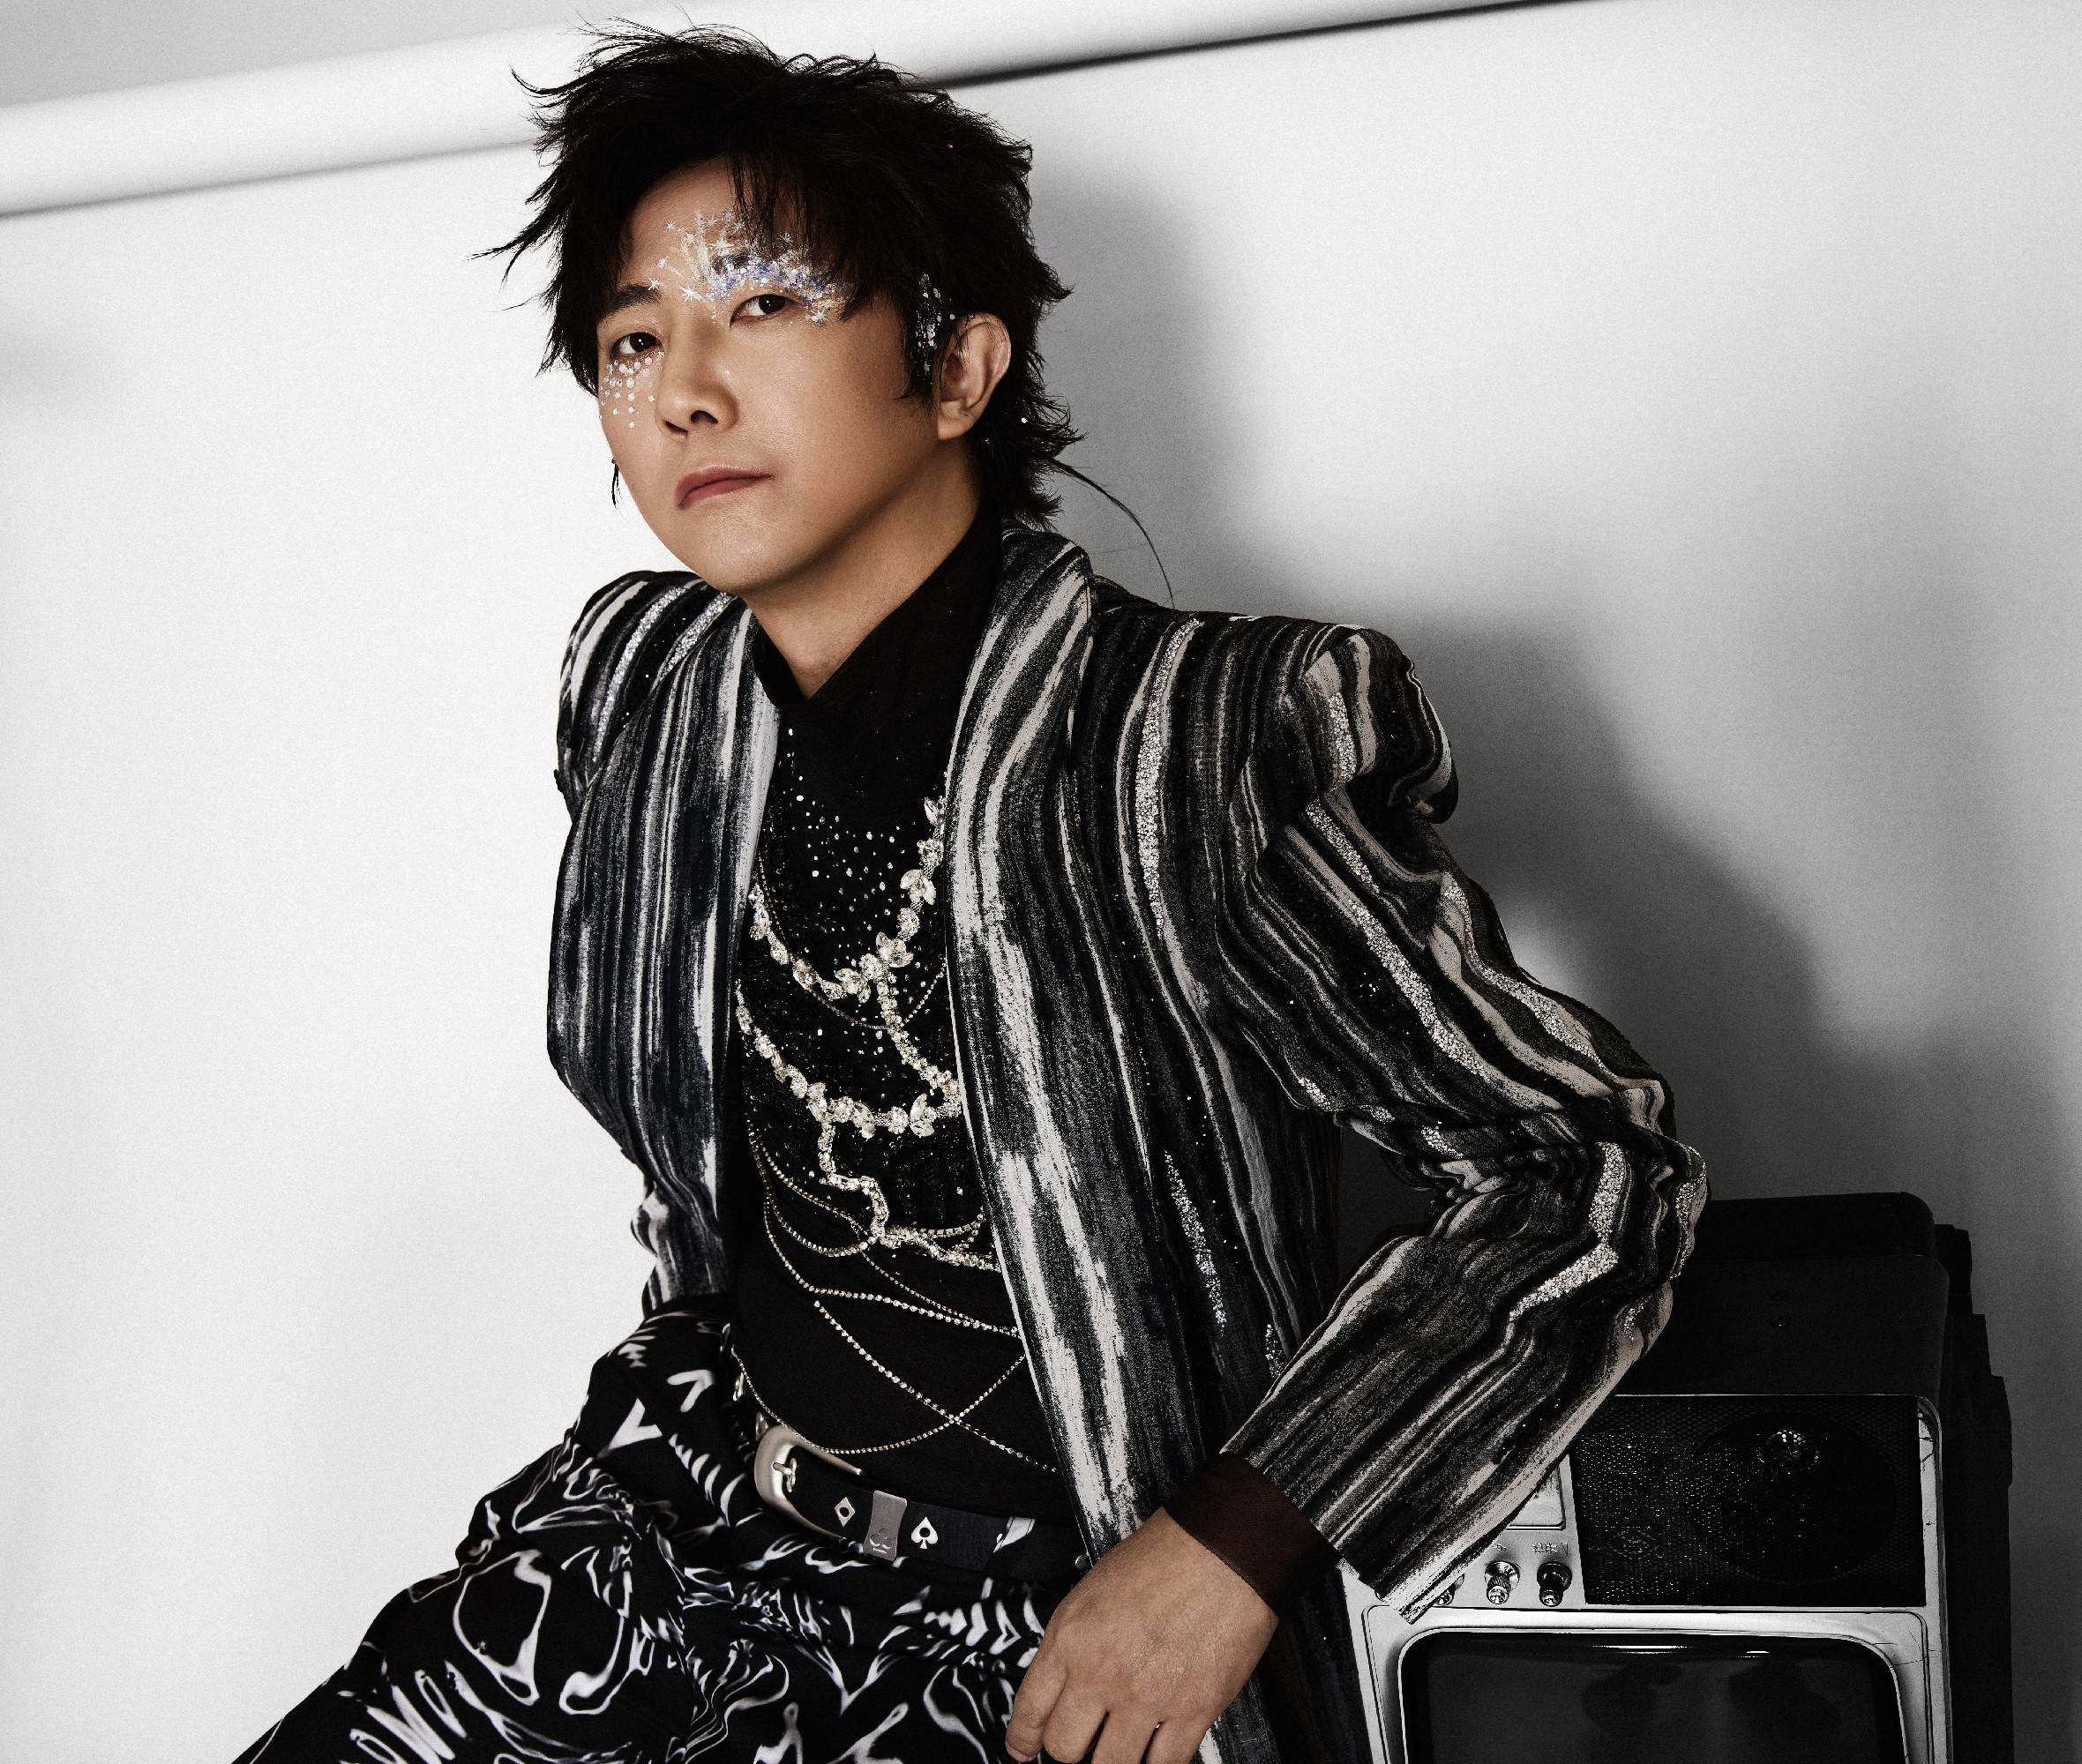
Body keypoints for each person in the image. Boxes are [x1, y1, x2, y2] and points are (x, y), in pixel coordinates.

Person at [236, 22, 1704, 1764]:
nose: (683, 389)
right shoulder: (646, 692)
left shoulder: (1192, 743)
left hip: (1043, 1623)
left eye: (761, 305)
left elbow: (1577, 1167)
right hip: (690, 1527)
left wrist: (1231, 1546)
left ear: (955, 369)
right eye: (633, 340)